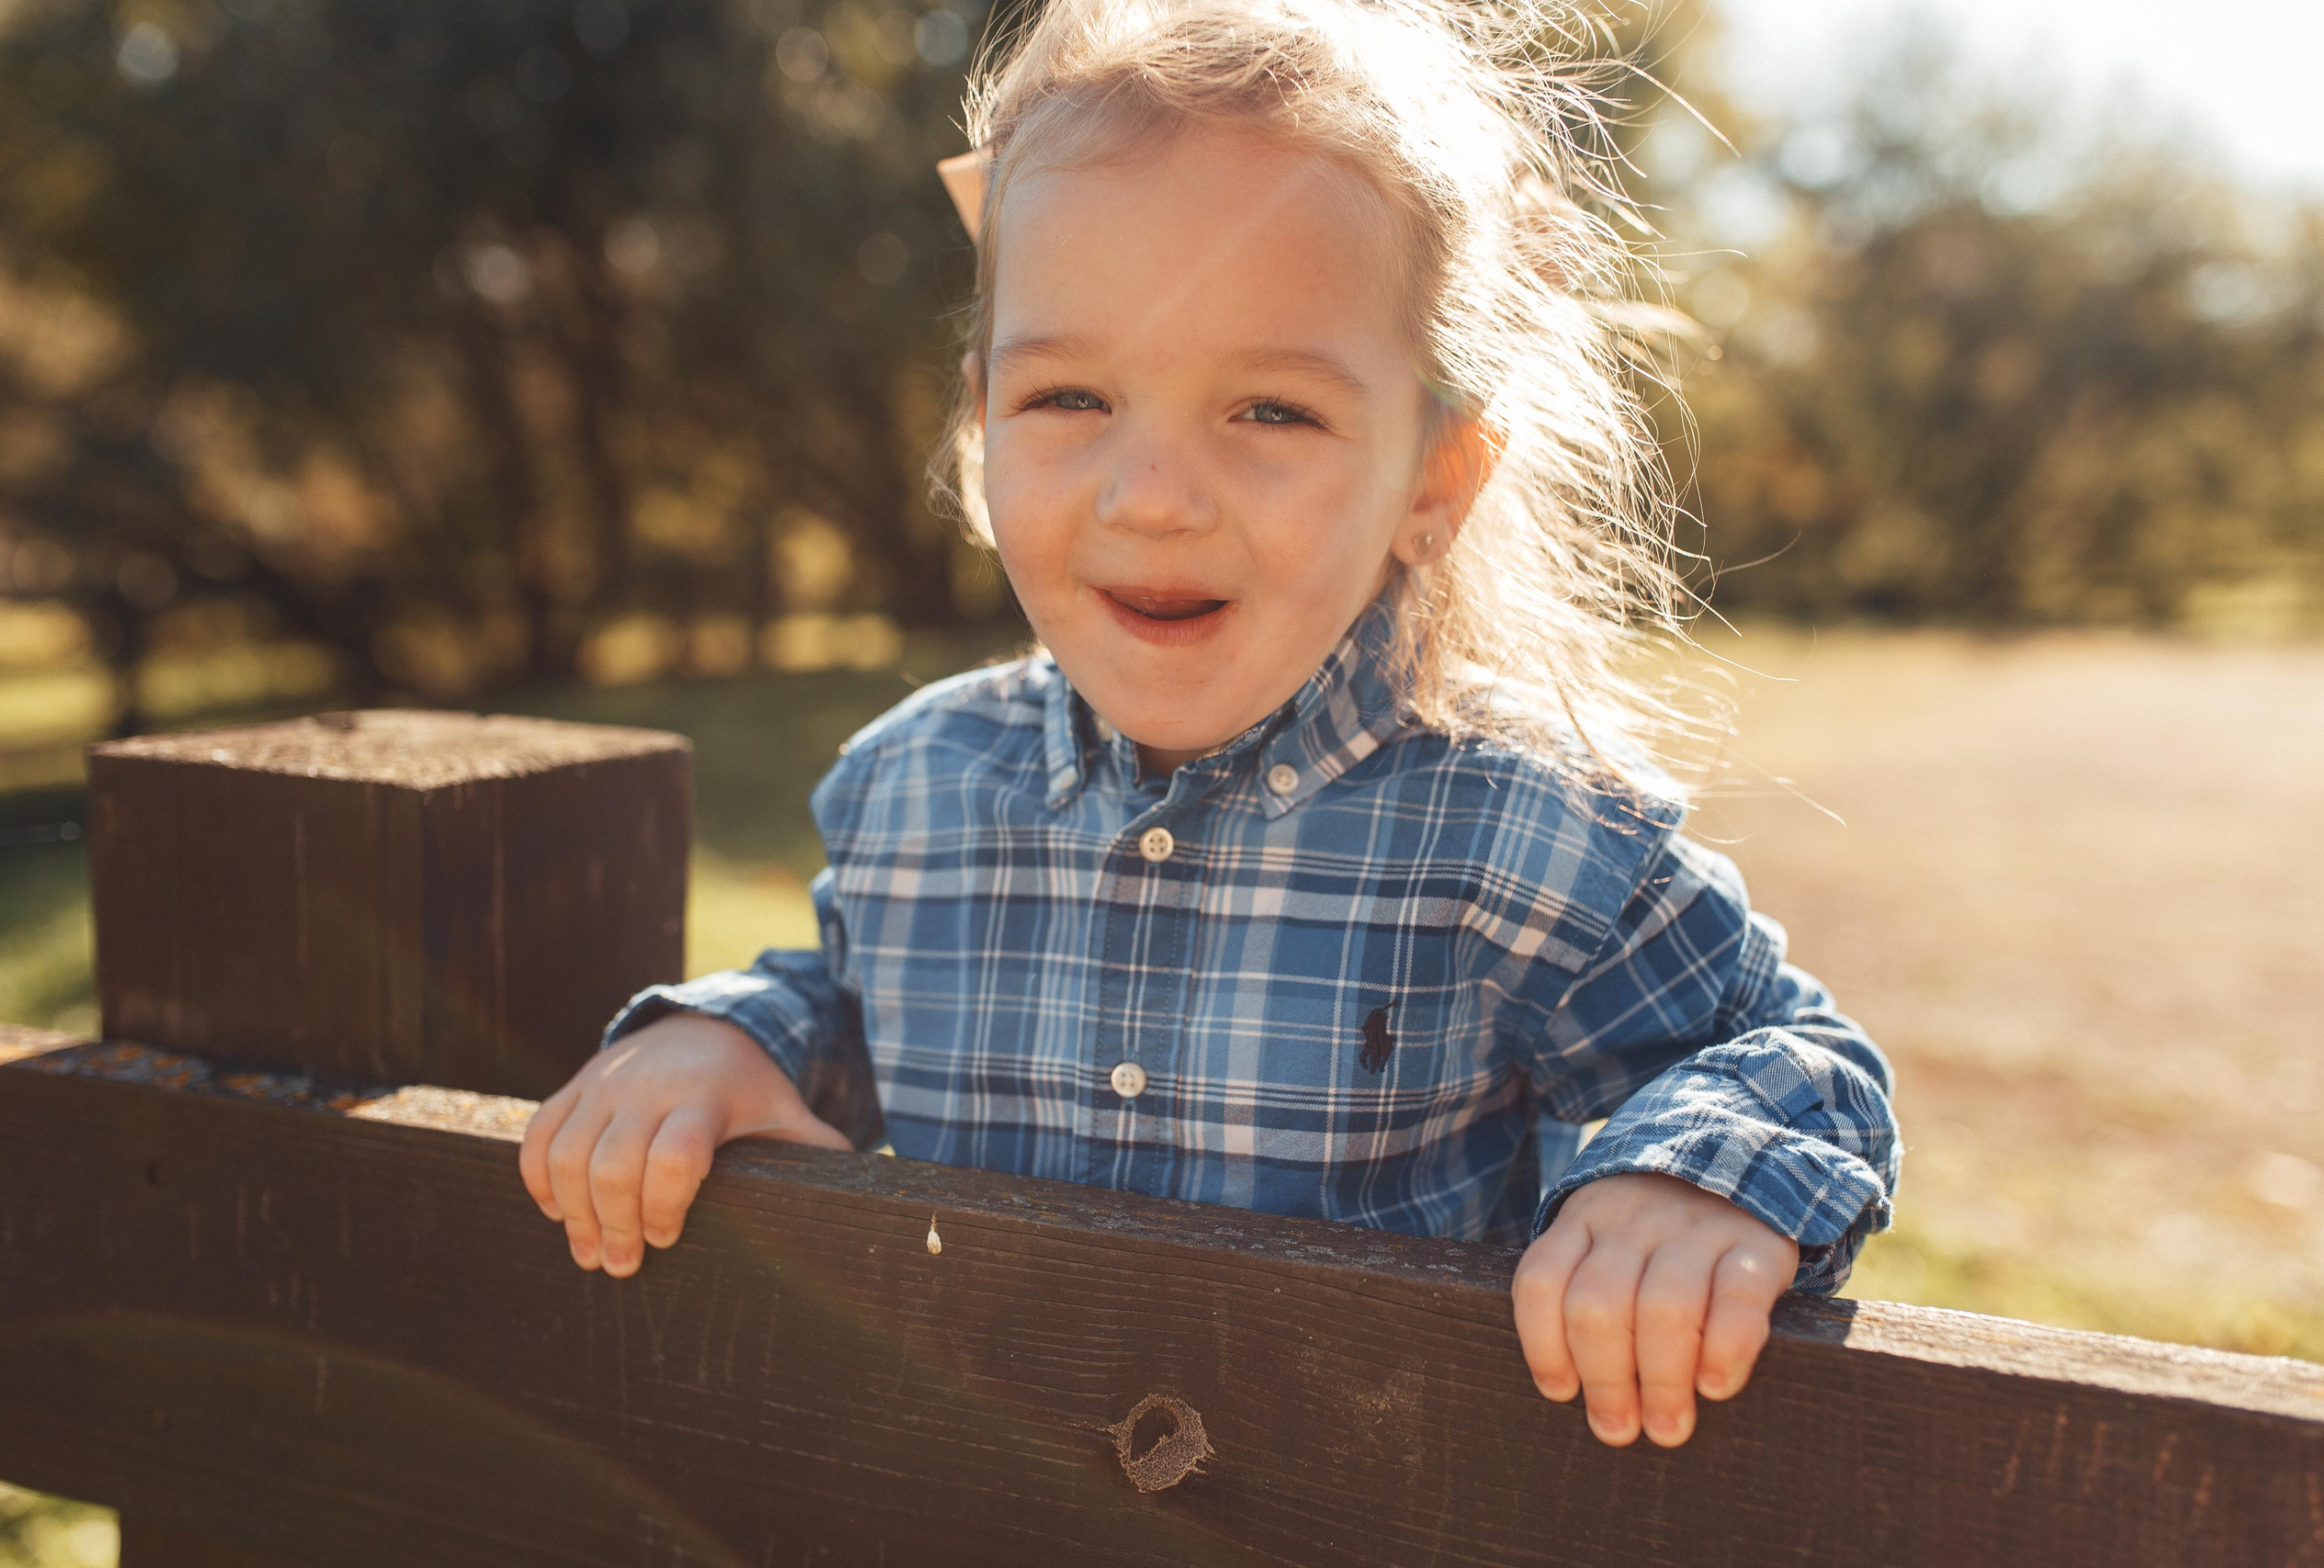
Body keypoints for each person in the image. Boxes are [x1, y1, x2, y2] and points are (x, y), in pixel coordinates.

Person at [518, 0, 1900, 1452]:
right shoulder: (920, 786)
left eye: (1271, 412)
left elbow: (1794, 1054)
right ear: (983, 422)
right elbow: (850, 1004)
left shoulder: (1517, 831)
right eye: (1070, 396)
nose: (1153, 497)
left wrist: (1688, 1180)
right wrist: (732, 1043)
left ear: (1435, 473)